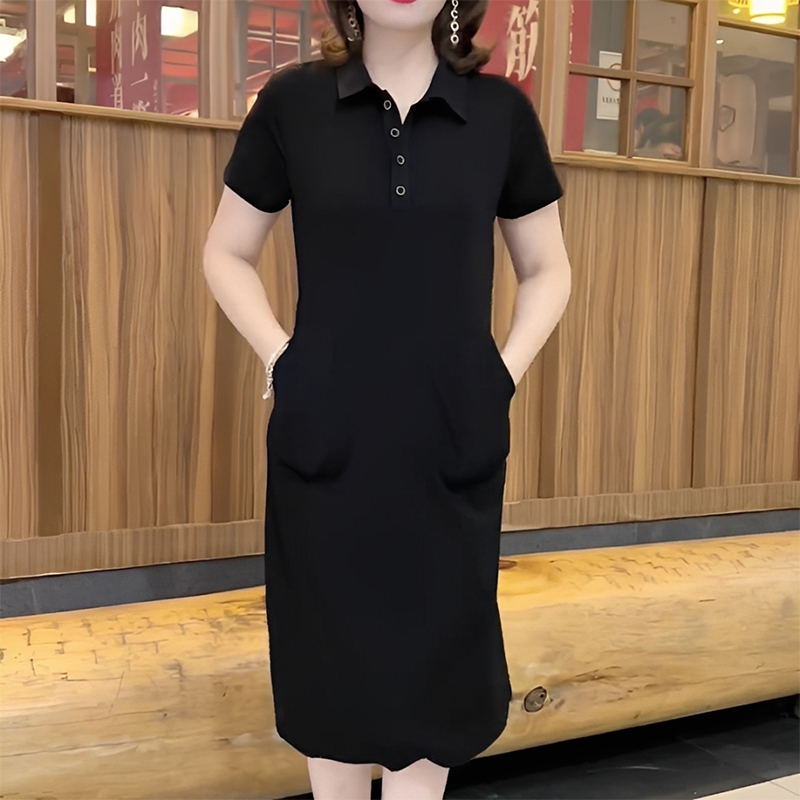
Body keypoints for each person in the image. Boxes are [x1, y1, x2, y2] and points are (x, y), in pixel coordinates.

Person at [203, 1, 572, 798]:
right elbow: (226, 252)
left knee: (438, 666)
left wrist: (500, 374)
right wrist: (282, 359)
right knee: (330, 665)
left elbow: (548, 269)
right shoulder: (293, 103)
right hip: (328, 435)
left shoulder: (499, 114)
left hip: (450, 435)